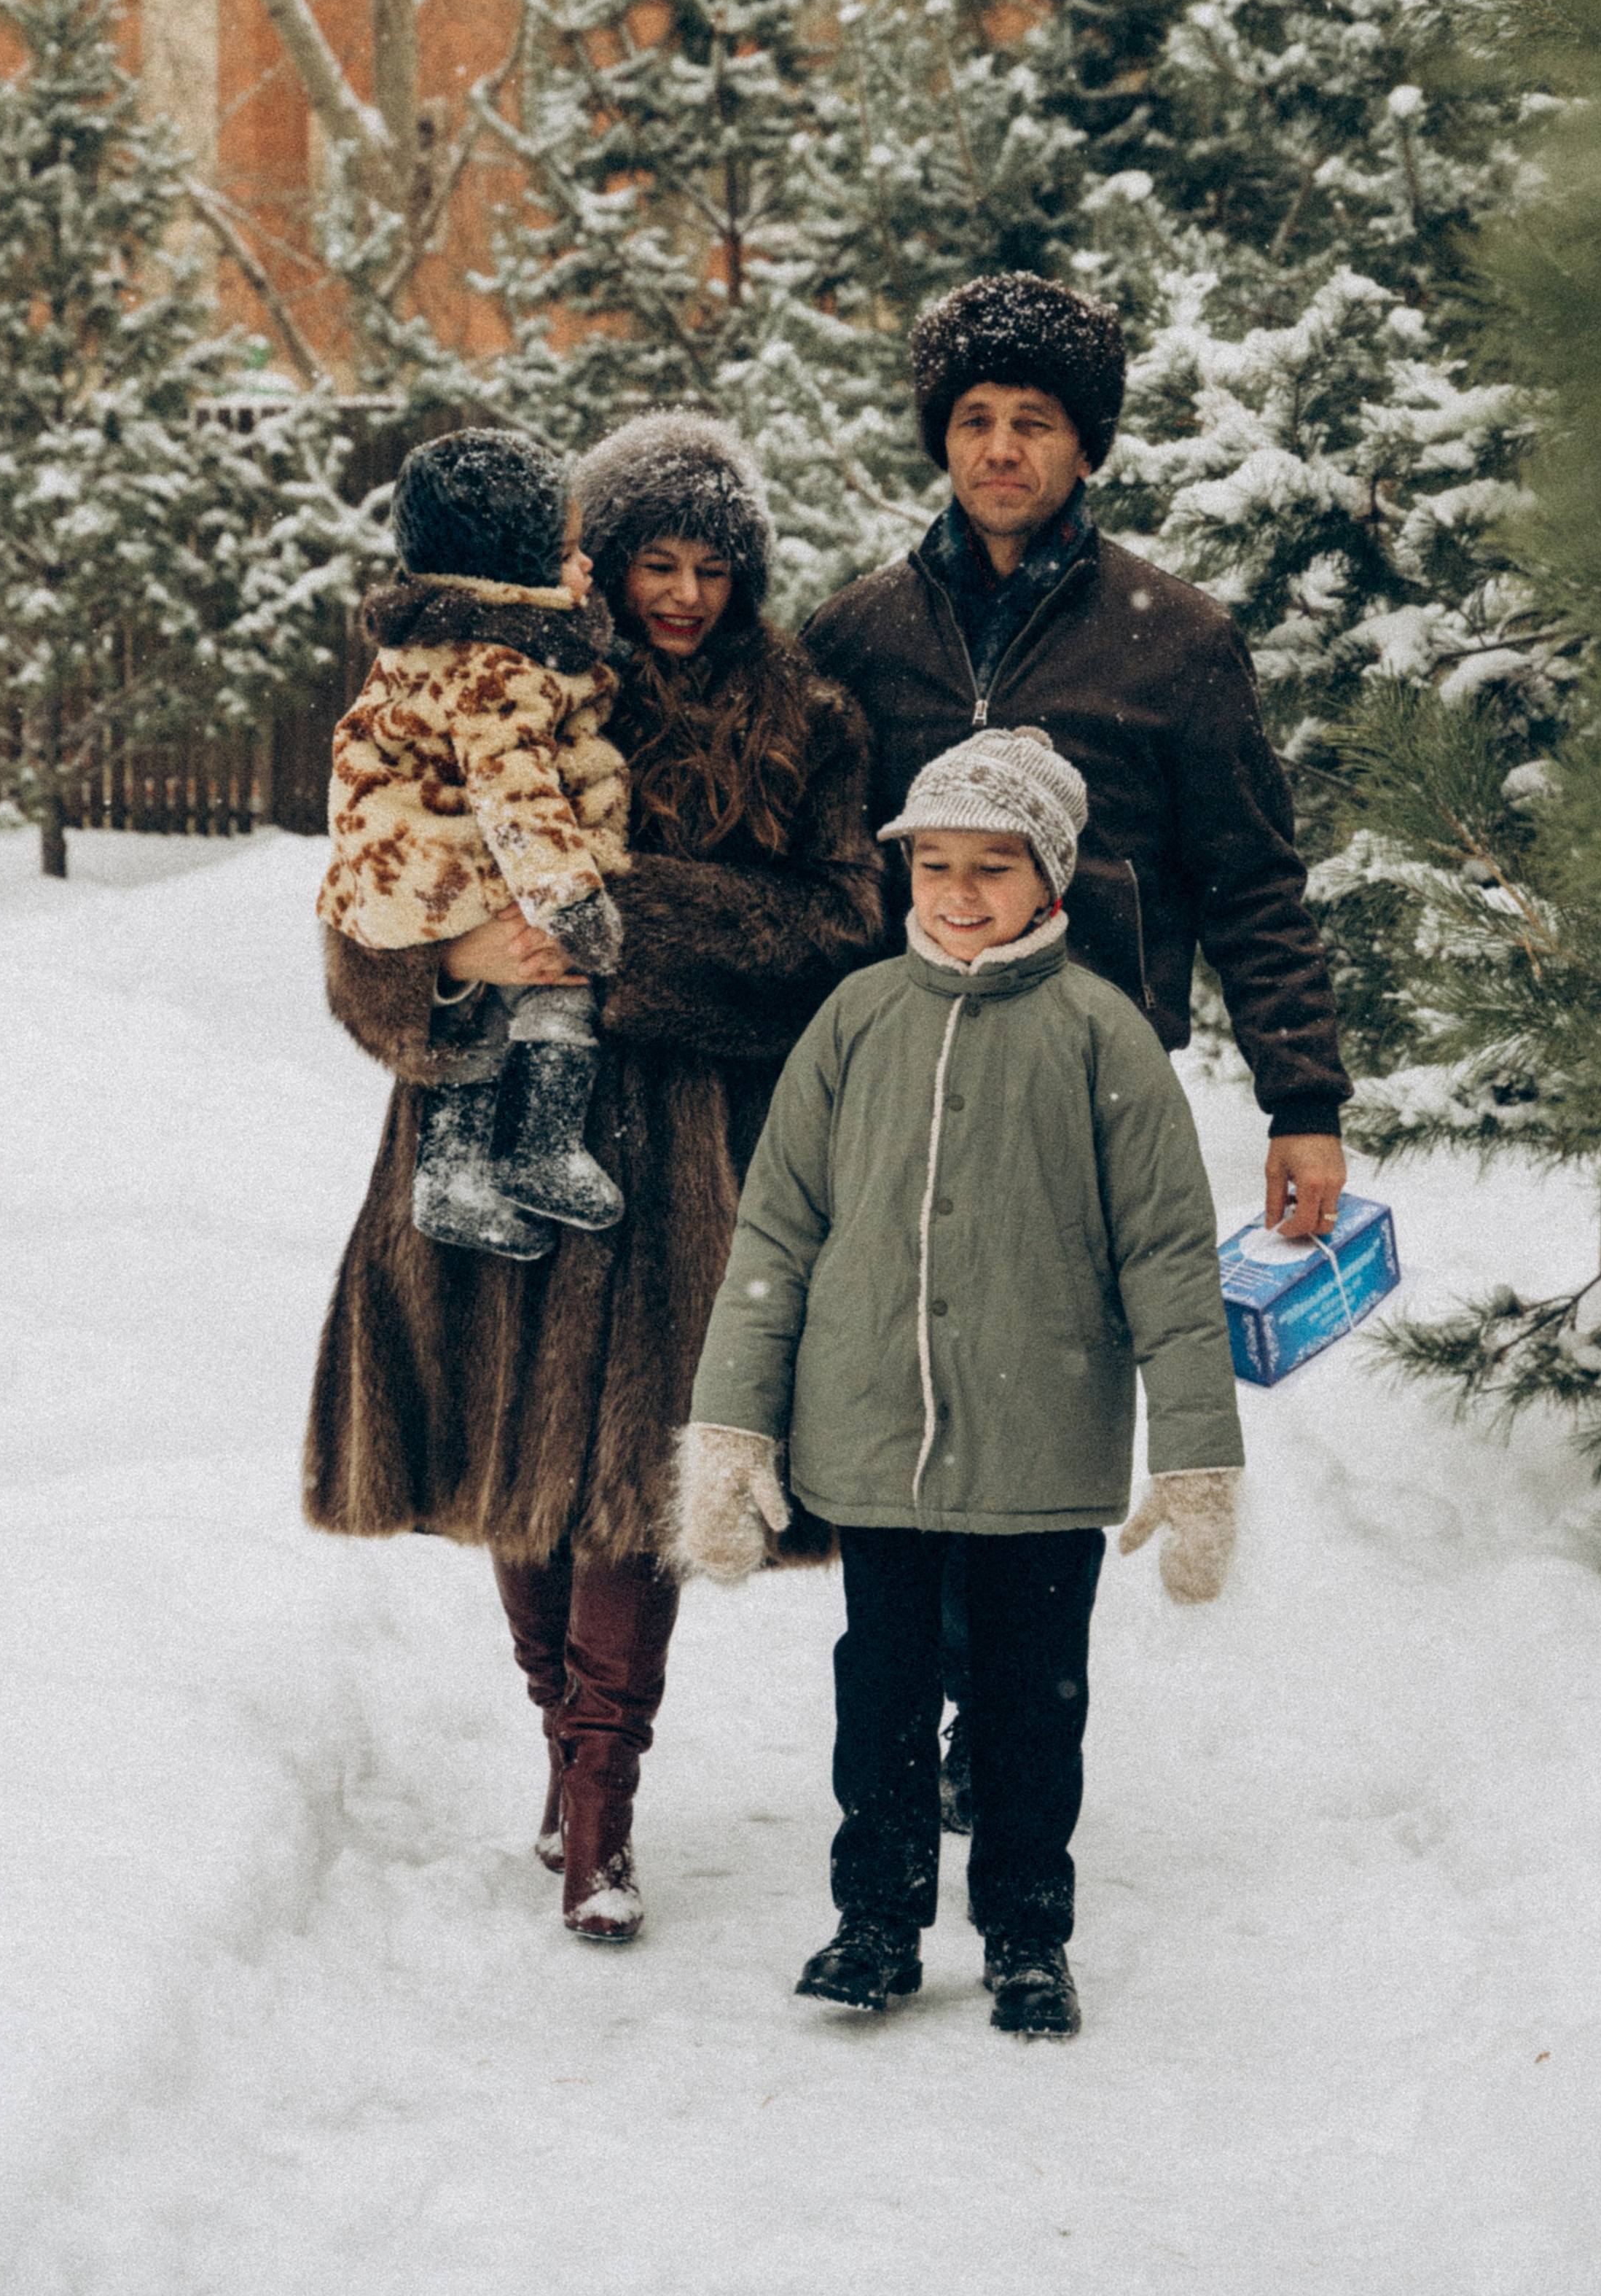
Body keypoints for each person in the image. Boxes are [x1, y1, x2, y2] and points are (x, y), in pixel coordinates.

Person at [306, 411, 884, 1946]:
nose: (683, 595)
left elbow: (841, 928)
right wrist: (460, 962)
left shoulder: (803, 718)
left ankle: (602, 1805)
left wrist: (624, 927)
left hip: (691, 1146)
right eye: (655, 562)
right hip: (486, 1120)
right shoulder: (494, 673)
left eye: (714, 567)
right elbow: (362, 908)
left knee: (638, 1482)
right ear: (598, 561)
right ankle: (560, 1742)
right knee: (507, 1470)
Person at [801, 270, 1352, 1816]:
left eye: (1033, 422)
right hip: (898, 1086)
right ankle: (938, 1694)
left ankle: (1007, 1716)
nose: (1000, 449)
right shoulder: (858, 636)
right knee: (908, 1389)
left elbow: (1251, 883)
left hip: (1084, 1096)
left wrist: (1303, 1099)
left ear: (1086, 446)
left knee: (1042, 1406)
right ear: (940, 439)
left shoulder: (1172, 643)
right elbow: (811, 868)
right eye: (974, 419)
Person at [672, 725, 1245, 2041]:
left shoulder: (1104, 1036)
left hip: (1043, 1446)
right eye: (935, 863)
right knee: (880, 1694)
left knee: (1031, 1708)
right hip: (873, 1439)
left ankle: (1029, 1936)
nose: (959, 892)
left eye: (994, 864)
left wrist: (1197, 1458)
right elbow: (775, 1236)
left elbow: (1168, 1258)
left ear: (1050, 877)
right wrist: (732, 1426)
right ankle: (875, 1922)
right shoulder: (857, 1019)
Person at [318, 429, 630, 1260]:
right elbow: (515, 790)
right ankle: (540, 1145)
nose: (587, 566)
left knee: (480, 1018)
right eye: (565, 553)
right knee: (559, 980)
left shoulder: (420, 647)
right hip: (459, 865)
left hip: (401, 875)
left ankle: (452, 1173)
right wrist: (572, 900)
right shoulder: (501, 664)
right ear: (509, 574)